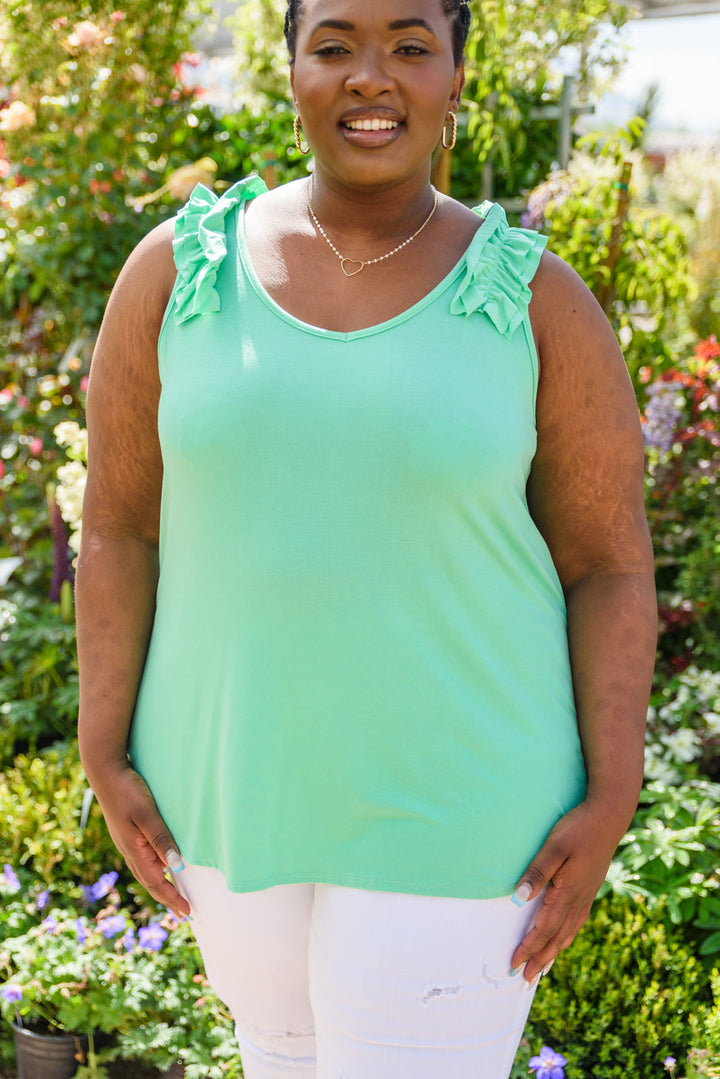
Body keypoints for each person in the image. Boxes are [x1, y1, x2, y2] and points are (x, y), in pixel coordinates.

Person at [76, 1, 657, 1076]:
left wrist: (613, 787)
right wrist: (102, 746)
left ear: (457, 78)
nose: (370, 77)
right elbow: (116, 525)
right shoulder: (178, 272)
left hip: (465, 813)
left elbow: (609, 563)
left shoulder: (535, 300)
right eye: (334, 45)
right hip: (227, 802)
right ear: (290, 70)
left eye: (410, 47)